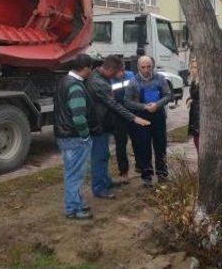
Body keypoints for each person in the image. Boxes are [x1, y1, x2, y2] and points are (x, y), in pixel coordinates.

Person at [85, 56, 151, 199]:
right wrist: (134, 118)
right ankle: (99, 188)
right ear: (109, 69)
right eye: (116, 73)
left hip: (104, 122)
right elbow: (113, 104)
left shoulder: (98, 75)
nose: (117, 76)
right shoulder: (98, 82)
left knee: (104, 155)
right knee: (99, 157)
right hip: (98, 125)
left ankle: (105, 181)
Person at [53, 53, 94, 220]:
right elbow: (78, 117)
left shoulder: (64, 81)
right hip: (74, 137)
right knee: (74, 174)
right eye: (90, 69)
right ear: (85, 69)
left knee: (72, 172)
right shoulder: (76, 86)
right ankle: (73, 210)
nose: (91, 72)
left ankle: (76, 202)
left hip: (63, 134)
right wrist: (85, 135)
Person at [125, 56, 172, 187]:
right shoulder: (133, 82)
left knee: (160, 145)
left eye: (149, 66)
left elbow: (168, 95)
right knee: (143, 146)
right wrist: (144, 106)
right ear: (138, 67)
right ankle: (146, 175)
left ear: (153, 66)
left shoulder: (160, 79)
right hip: (142, 118)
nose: (146, 70)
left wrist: (157, 105)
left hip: (158, 117)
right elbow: (127, 101)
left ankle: (162, 173)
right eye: (143, 67)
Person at [110, 68, 138, 183]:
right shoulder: (109, 80)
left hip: (132, 114)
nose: (119, 74)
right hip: (118, 116)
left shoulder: (131, 75)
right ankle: (124, 172)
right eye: (116, 72)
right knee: (121, 145)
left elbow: (137, 93)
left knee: (138, 141)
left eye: (121, 71)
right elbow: (110, 100)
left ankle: (140, 165)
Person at [186, 56, 200, 152]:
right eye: (192, 67)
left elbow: (206, 100)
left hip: (201, 117)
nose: (193, 70)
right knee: (196, 141)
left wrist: (193, 101)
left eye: (196, 67)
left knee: (199, 143)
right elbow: (195, 95)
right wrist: (189, 98)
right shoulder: (194, 81)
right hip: (195, 115)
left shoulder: (203, 81)